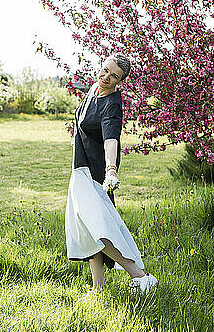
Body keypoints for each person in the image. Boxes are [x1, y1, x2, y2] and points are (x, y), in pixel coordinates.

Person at [65, 53, 158, 295]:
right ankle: (98, 289)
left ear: (120, 81)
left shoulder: (113, 104)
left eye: (113, 76)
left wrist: (111, 170)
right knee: (86, 228)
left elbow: (110, 139)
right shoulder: (94, 89)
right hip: (80, 169)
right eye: (105, 70)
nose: (106, 77)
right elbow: (86, 120)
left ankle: (140, 276)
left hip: (95, 173)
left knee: (99, 230)